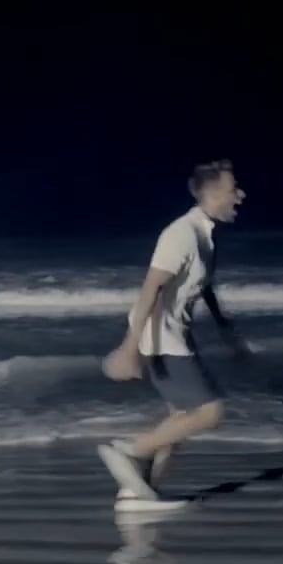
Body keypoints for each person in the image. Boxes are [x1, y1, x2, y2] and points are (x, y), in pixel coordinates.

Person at [99, 159, 250, 501]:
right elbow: (151, 288)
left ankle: (138, 493)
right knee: (210, 413)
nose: (240, 195)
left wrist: (225, 326)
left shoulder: (205, 235)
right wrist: (130, 347)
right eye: (232, 190)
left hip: (176, 333)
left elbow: (203, 285)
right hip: (161, 336)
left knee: (180, 420)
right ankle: (130, 451)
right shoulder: (181, 234)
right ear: (211, 195)